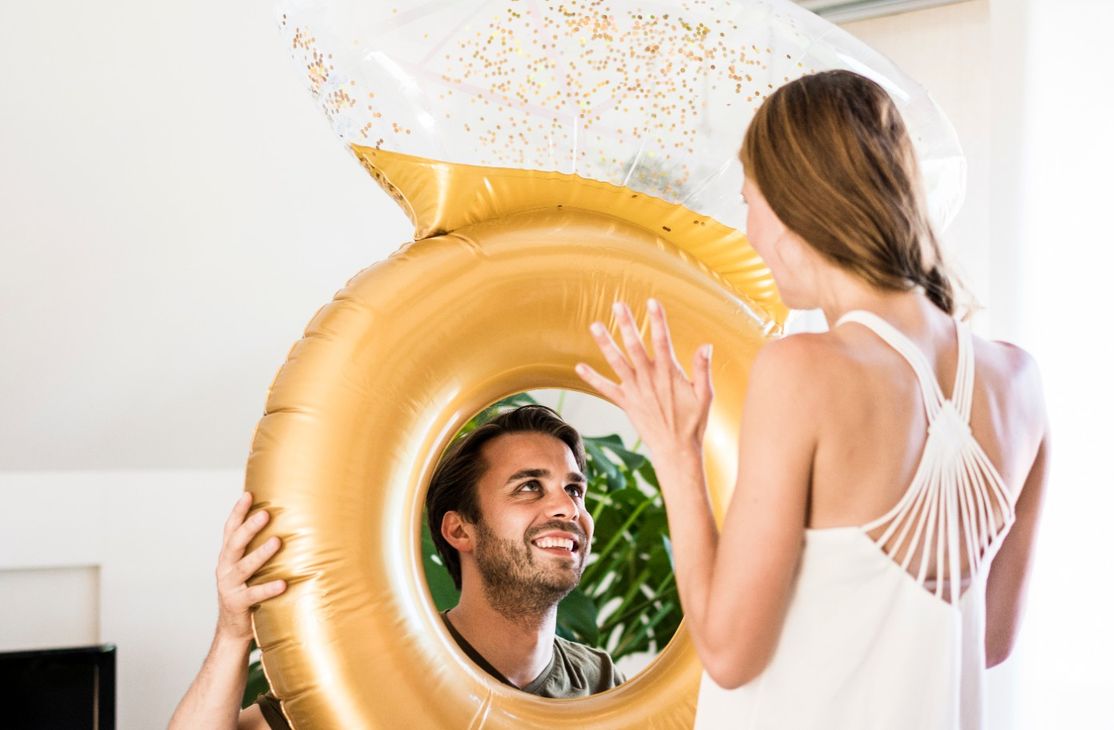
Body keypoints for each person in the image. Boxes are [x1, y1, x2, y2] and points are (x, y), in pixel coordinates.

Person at [575, 69, 1049, 729]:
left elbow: (728, 652)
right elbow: (990, 640)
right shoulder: (1020, 383)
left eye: (749, 201)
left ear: (798, 200)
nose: (748, 233)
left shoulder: (803, 371)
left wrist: (675, 452)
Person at [168, 405, 622, 730]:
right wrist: (232, 632)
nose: (567, 507)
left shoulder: (600, 681)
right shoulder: (383, 672)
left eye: (575, 490)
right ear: (460, 531)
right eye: (528, 487)